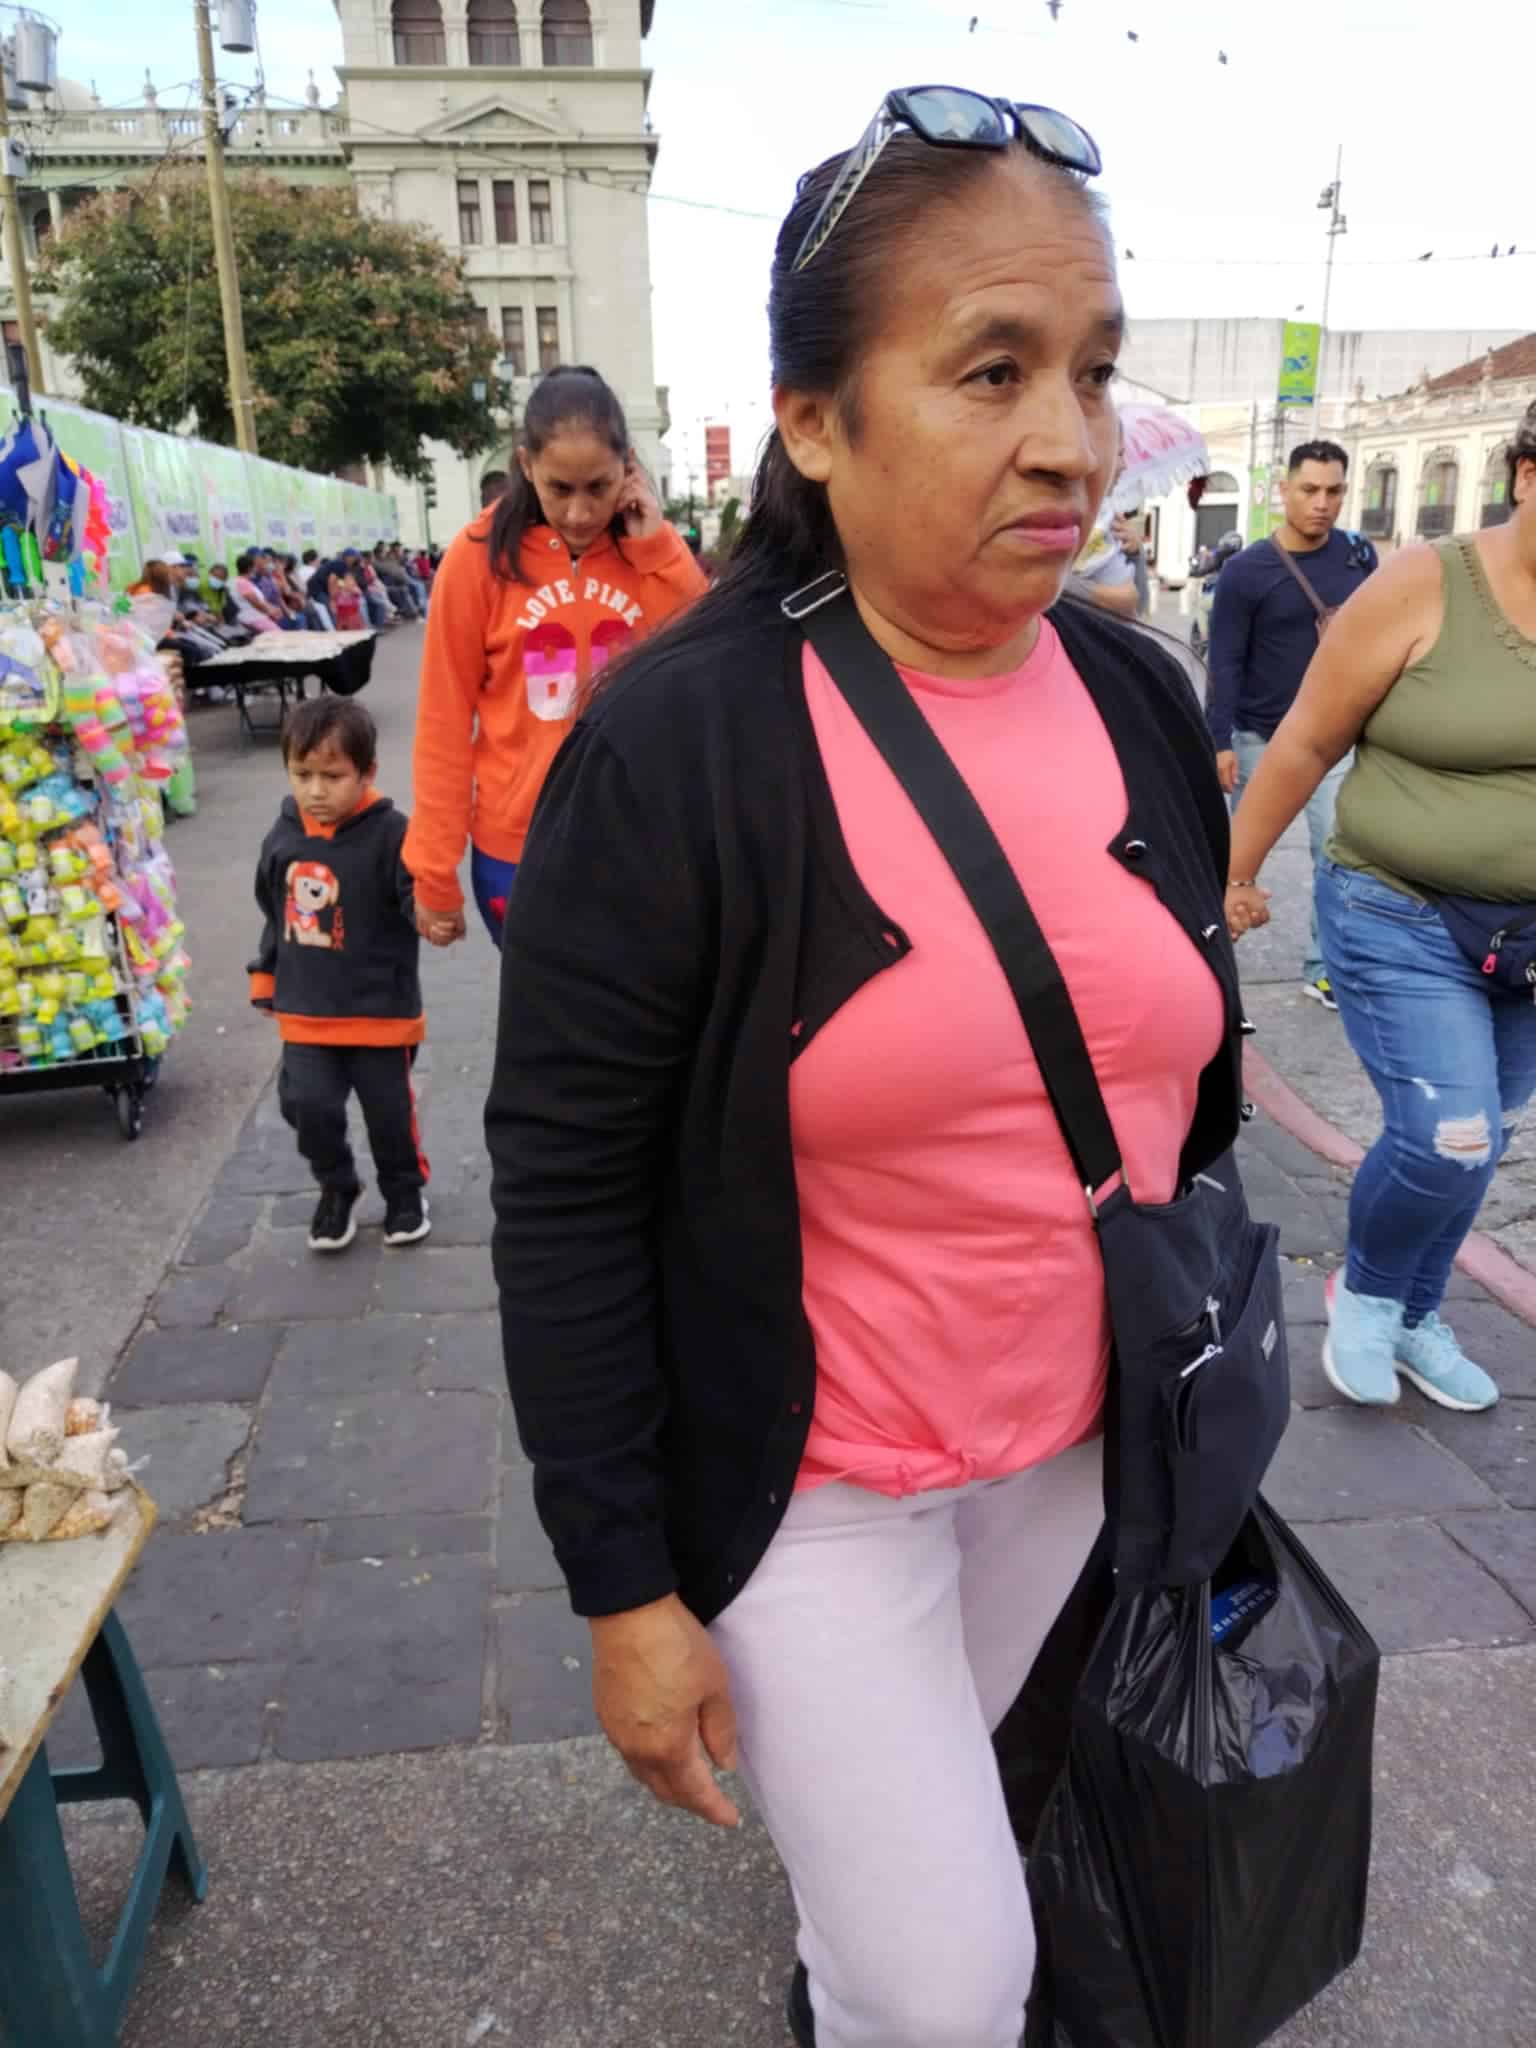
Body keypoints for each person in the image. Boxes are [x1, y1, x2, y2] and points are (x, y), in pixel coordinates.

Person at [484, 91, 1244, 2048]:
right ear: (813, 423)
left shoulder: (1138, 695)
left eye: (1092, 370)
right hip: (811, 1481)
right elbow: (564, 1184)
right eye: (991, 371)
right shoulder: (682, 745)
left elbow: (1189, 1092)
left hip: (1073, 1450)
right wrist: (622, 1586)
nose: (1069, 438)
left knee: (933, 1857)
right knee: (951, 1978)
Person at [1226, 407, 1536, 1416]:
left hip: (1527, 942)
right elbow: (1307, 741)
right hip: (1399, 909)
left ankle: (1415, 1314)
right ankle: (1365, 1292)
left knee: (1483, 1134)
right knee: (1450, 1133)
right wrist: (1233, 874)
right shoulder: (1423, 582)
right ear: (1526, 475)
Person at [404, 363, 708, 947]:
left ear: (629, 468)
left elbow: (702, 662)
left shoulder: (651, 552)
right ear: (526, 466)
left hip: (638, 840)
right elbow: (444, 721)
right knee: (541, 1004)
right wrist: (433, 870)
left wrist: (657, 549)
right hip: (516, 852)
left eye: (599, 486)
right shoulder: (476, 559)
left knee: (635, 1002)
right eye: (559, 489)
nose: (578, 513)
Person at [248, 695, 432, 1255]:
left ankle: (404, 1192)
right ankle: (337, 1185)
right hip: (306, 1008)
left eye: (333, 777)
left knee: (389, 1116)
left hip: (379, 1010)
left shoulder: (393, 834)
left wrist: (433, 912)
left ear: (367, 772)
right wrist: (265, 975)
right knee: (307, 1105)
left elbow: (416, 899)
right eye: (302, 774)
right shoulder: (283, 836)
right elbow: (276, 912)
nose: (316, 791)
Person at [1208, 440, 1378, 1008]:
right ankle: (1212, 966)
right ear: (1284, 490)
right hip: (1262, 738)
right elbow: (1225, 660)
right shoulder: (1245, 571)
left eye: (1333, 491)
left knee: (1337, 852)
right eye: (1309, 490)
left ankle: (1323, 967)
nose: (1321, 503)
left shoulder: (1358, 556)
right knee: (1236, 864)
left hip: (1336, 739)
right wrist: (1219, 740)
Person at [232, 552, 284, 633]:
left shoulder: (246, 581)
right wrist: (271, 611)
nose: (256, 569)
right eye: (255, 566)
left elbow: (261, 601)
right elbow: (257, 604)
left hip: (256, 616)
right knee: (278, 634)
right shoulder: (242, 583)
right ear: (249, 568)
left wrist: (273, 609)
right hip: (252, 618)